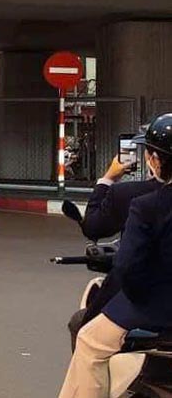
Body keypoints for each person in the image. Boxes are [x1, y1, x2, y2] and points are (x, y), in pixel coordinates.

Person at [59, 113, 172, 398]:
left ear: (154, 160)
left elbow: (129, 269)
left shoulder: (146, 205)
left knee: (88, 341)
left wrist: (108, 178)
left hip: (157, 311)